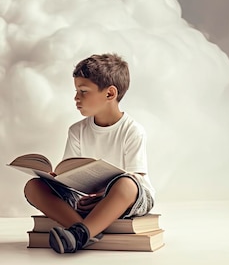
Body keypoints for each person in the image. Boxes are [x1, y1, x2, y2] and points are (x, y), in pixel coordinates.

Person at [23, 53, 155, 254]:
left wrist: (103, 195)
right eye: (76, 90)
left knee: (127, 183)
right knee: (33, 186)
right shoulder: (77, 130)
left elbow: (137, 177)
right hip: (83, 199)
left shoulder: (132, 130)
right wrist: (55, 180)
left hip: (125, 198)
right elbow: (69, 173)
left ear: (110, 94)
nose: (76, 98)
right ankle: (83, 233)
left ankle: (80, 233)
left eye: (83, 91)